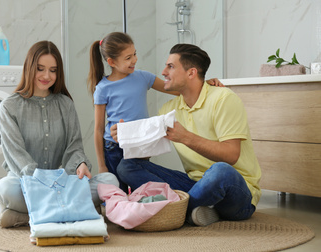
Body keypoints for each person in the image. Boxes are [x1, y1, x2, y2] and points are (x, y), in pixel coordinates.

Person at [111, 44, 261, 227]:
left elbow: (231, 155)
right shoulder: (168, 110)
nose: (163, 72)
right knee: (127, 166)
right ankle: (198, 209)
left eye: (170, 67)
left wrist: (185, 137)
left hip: (236, 192)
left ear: (191, 73)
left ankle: (174, 210)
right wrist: (128, 138)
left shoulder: (223, 99)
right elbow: (145, 157)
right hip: (194, 185)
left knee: (220, 171)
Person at [0, 41, 118, 228]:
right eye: (40, 69)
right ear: (29, 68)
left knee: (110, 181)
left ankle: (24, 216)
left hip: (61, 180)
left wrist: (80, 164)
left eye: (53, 70)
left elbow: (74, 146)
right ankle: (78, 210)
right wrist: (42, 181)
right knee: (4, 190)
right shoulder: (9, 107)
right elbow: (16, 155)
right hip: (25, 181)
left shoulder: (65, 104)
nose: (46, 76)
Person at [87, 32, 222, 192]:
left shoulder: (143, 77)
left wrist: (202, 82)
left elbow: (178, 90)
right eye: (128, 57)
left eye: (135, 54)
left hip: (139, 142)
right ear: (111, 62)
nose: (135, 60)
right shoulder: (103, 88)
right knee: (118, 193)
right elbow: (98, 130)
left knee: (141, 189)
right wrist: (101, 165)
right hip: (114, 147)